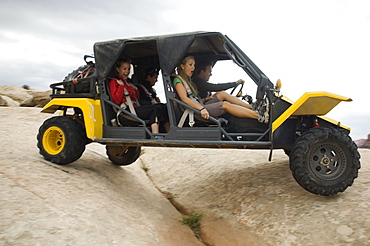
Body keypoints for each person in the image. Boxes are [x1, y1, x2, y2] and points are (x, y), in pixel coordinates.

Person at [173, 56, 259, 120]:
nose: (193, 68)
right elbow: (184, 99)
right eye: (190, 65)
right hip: (194, 112)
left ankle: (251, 107)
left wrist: (206, 99)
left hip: (199, 106)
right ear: (182, 66)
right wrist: (202, 109)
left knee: (221, 94)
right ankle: (257, 116)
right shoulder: (178, 80)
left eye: (194, 65)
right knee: (224, 105)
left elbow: (193, 99)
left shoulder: (188, 81)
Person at [108, 58, 167, 134]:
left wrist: (135, 89)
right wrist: (121, 87)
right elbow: (116, 101)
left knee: (162, 107)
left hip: (134, 107)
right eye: (124, 69)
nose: (127, 71)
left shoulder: (127, 82)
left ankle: (169, 133)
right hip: (125, 111)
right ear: (118, 69)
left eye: (128, 69)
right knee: (155, 109)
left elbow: (136, 98)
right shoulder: (114, 82)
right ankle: (155, 134)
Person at [136, 67, 170, 132]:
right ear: (148, 77)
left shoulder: (151, 89)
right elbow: (140, 101)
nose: (156, 80)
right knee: (156, 108)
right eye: (155, 78)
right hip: (143, 108)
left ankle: (168, 131)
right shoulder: (140, 88)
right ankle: (155, 134)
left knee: (163, 106)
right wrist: (151, 103)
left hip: (150, 106)